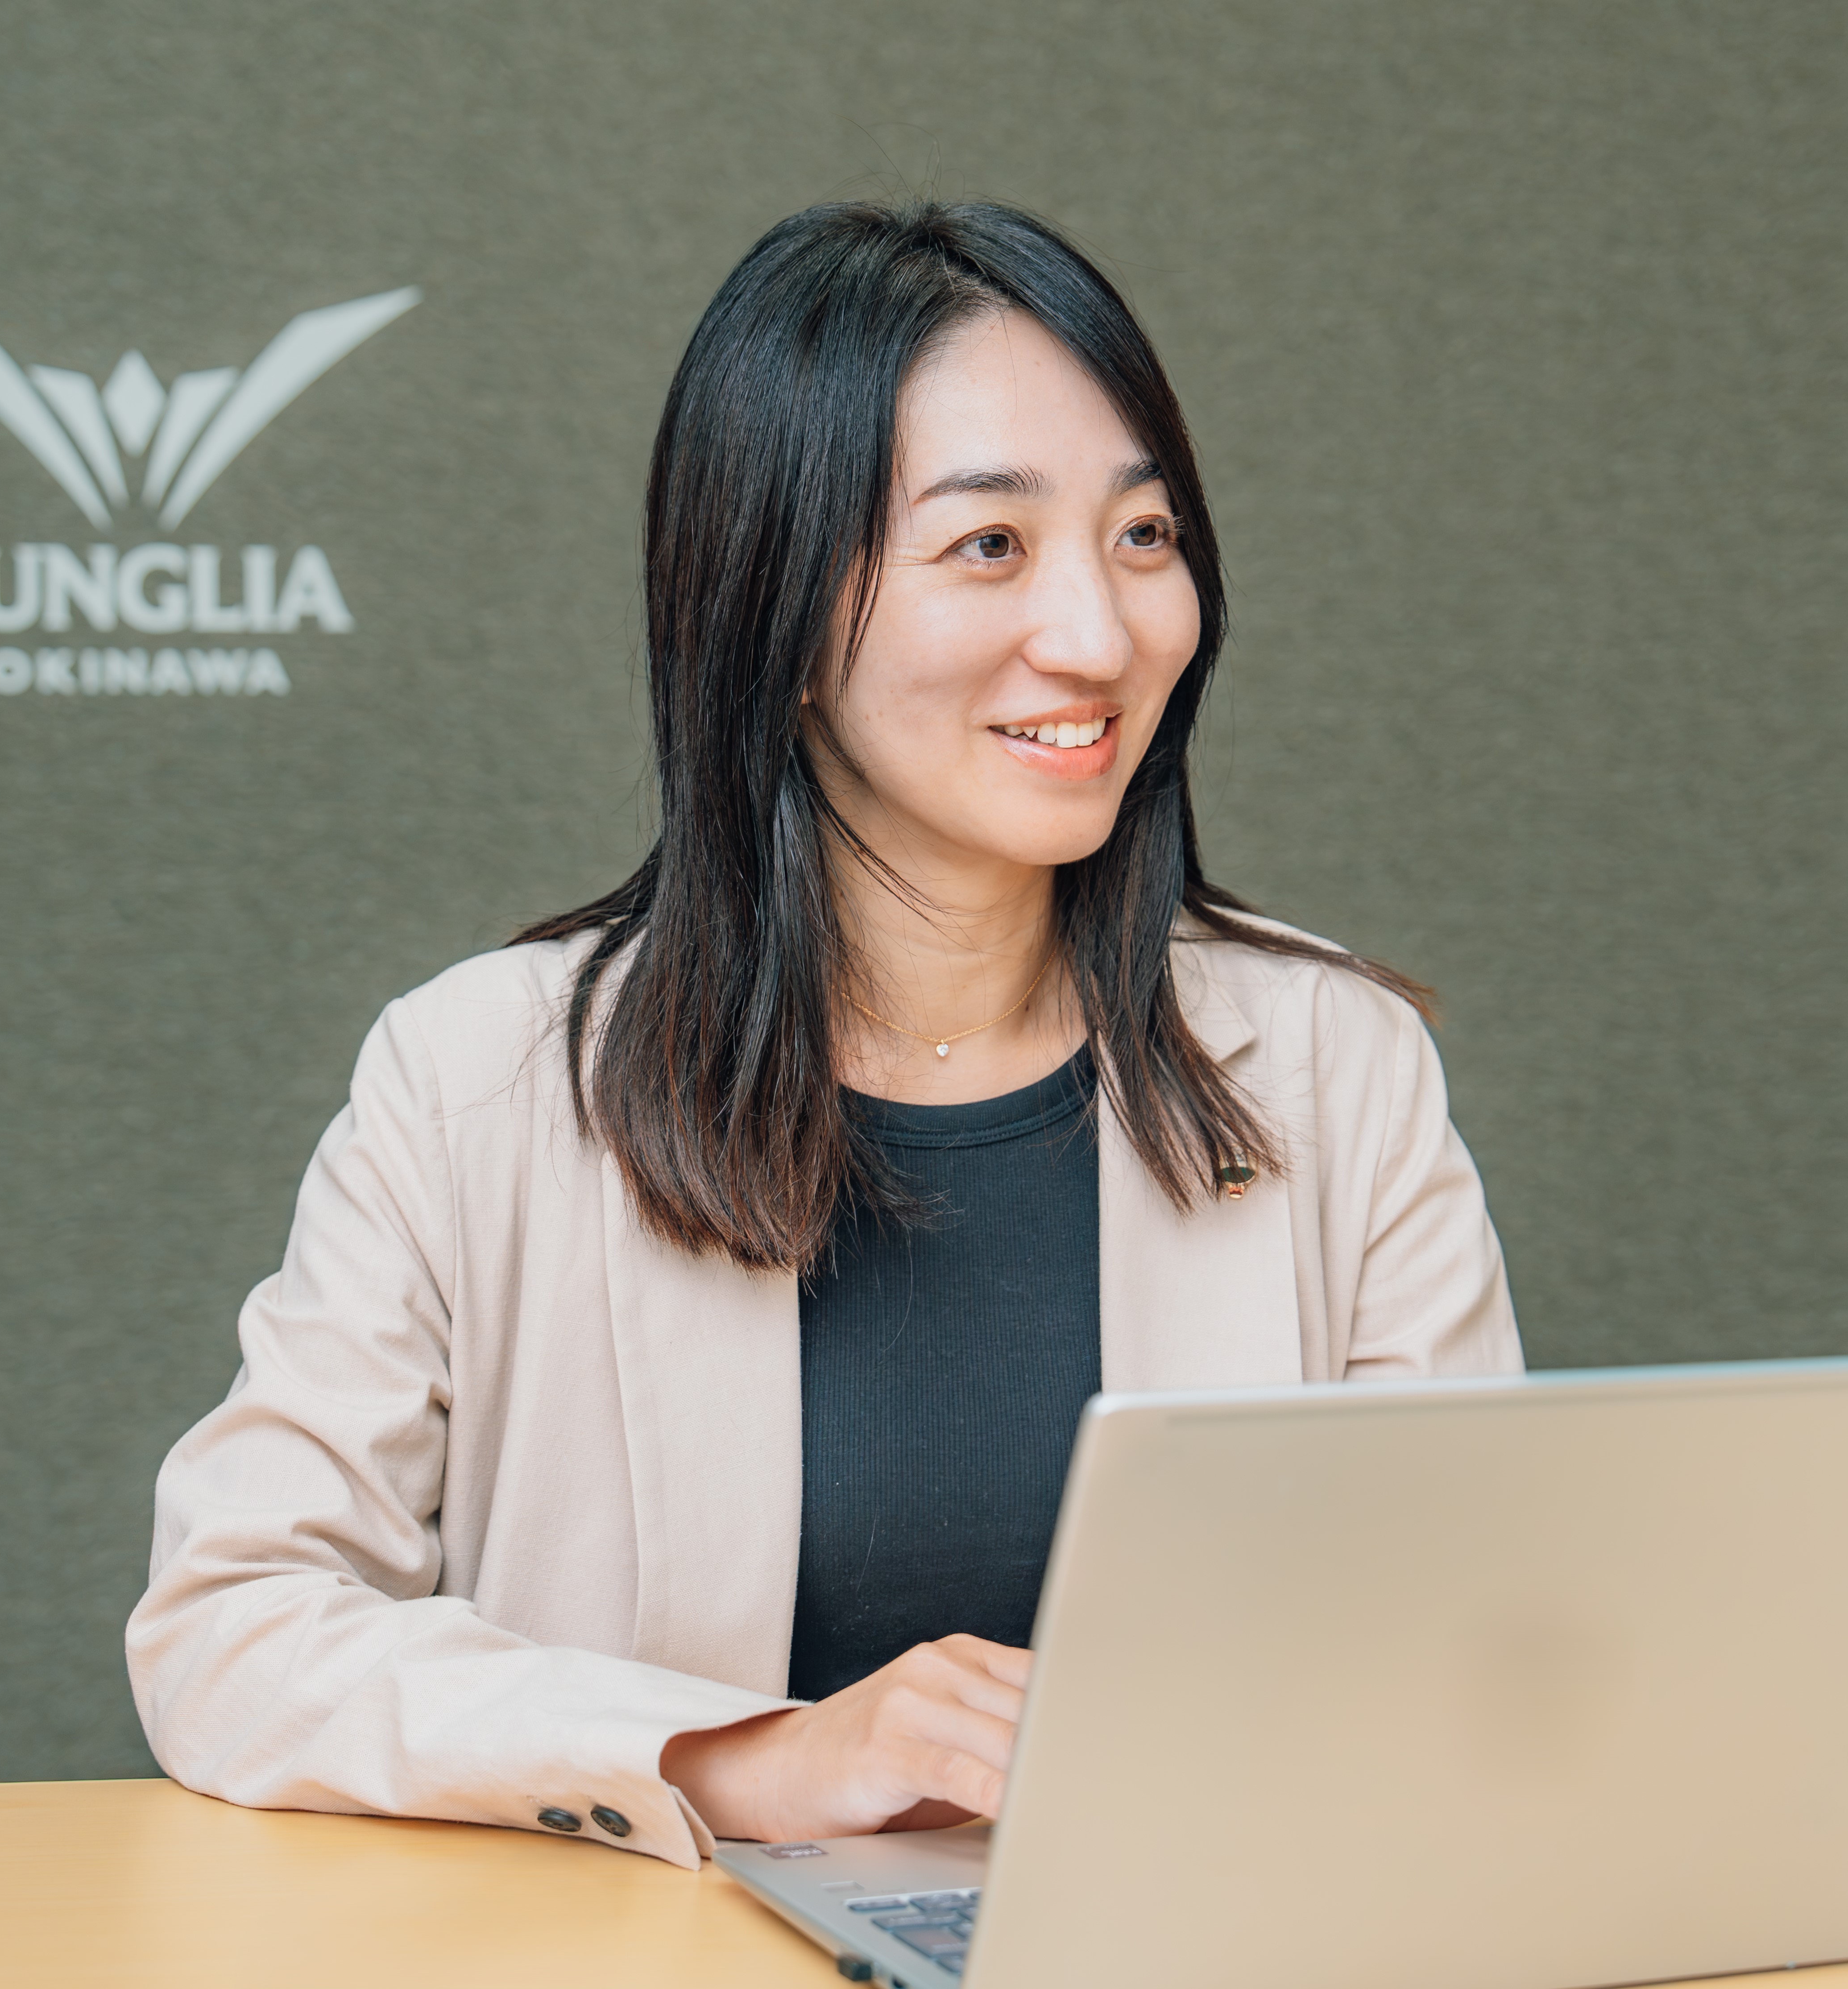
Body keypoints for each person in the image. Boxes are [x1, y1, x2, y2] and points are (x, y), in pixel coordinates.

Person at [126, 198, 1520, 1872]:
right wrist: (746, 1759)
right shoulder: (479, 1082)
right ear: (777, 614)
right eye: (988, 545)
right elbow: (233, 1630)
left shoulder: (1337, 1066)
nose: (1099, 634)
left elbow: (1475, 1638)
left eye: (1144, 534)